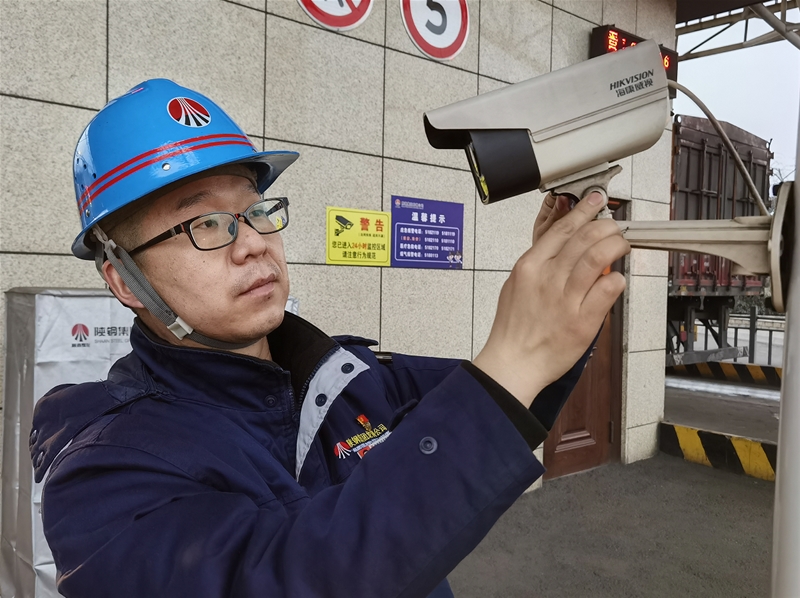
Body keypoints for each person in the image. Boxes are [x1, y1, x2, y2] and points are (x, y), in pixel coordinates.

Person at [30, 79, 629, 597]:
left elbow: (513, 397)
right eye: (204, 223)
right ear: (124, 279)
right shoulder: (104, 474)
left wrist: (567, 286)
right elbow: (290, 577)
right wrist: (515, 356)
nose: (253, 243)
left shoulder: (347, 377)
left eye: (255, 211)